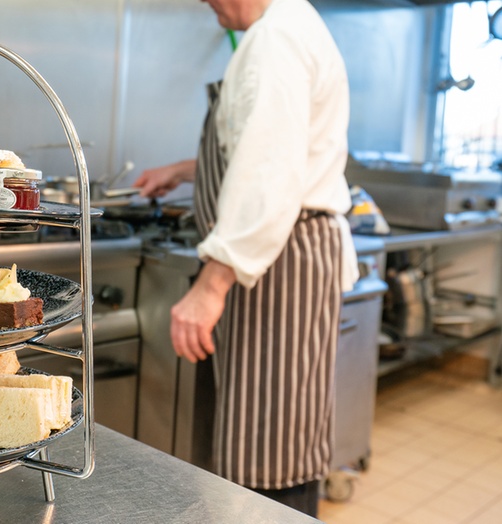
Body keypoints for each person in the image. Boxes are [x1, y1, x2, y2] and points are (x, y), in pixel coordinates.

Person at [132, 0, 358, 517]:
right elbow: (266, 148)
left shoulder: (274, 39)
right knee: (266, 436)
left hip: (278, 264)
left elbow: (269, 173)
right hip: (278, 260)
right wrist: (185, 170)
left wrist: (210, 285)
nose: (205, 2)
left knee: (270, 448)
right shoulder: (288, 27)